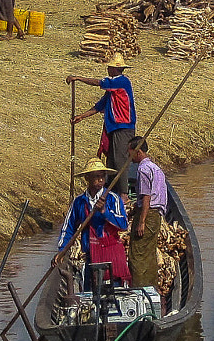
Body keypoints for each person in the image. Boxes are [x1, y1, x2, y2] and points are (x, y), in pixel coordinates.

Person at [68, 54, 137, 196]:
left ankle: (124, 194)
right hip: (113, 127)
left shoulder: (121, 81)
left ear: (113, 69)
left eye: (109, 67)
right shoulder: (111, 91)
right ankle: (111, 191)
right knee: (111, 160)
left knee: (120, 160)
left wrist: (78, 78)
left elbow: (98, 82)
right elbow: (99, 106)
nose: (108, 70)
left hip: (123, 126)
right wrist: (81, 117)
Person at [56, 158, 130, 284]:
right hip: (91, 253)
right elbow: (68, 227)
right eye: (96, 176)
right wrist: (62, 250)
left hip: (111, 252)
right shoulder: (79, 202)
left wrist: (104, 212)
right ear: (87, 178)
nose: (100, 180)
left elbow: (123, 224)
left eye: (102, 176)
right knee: (91, 292)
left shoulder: (113, 198)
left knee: (114, 291)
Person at [126, 136, 168, 294]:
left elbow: (146, 198)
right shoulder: (155, 168)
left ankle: (139, 291)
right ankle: (152, 289)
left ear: (138, 152)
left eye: (130, 152)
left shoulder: (143, 170)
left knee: (137, 255)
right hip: (156, 215)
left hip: (148, 214)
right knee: (149, 253)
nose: (128, 156)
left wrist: (141, 221)